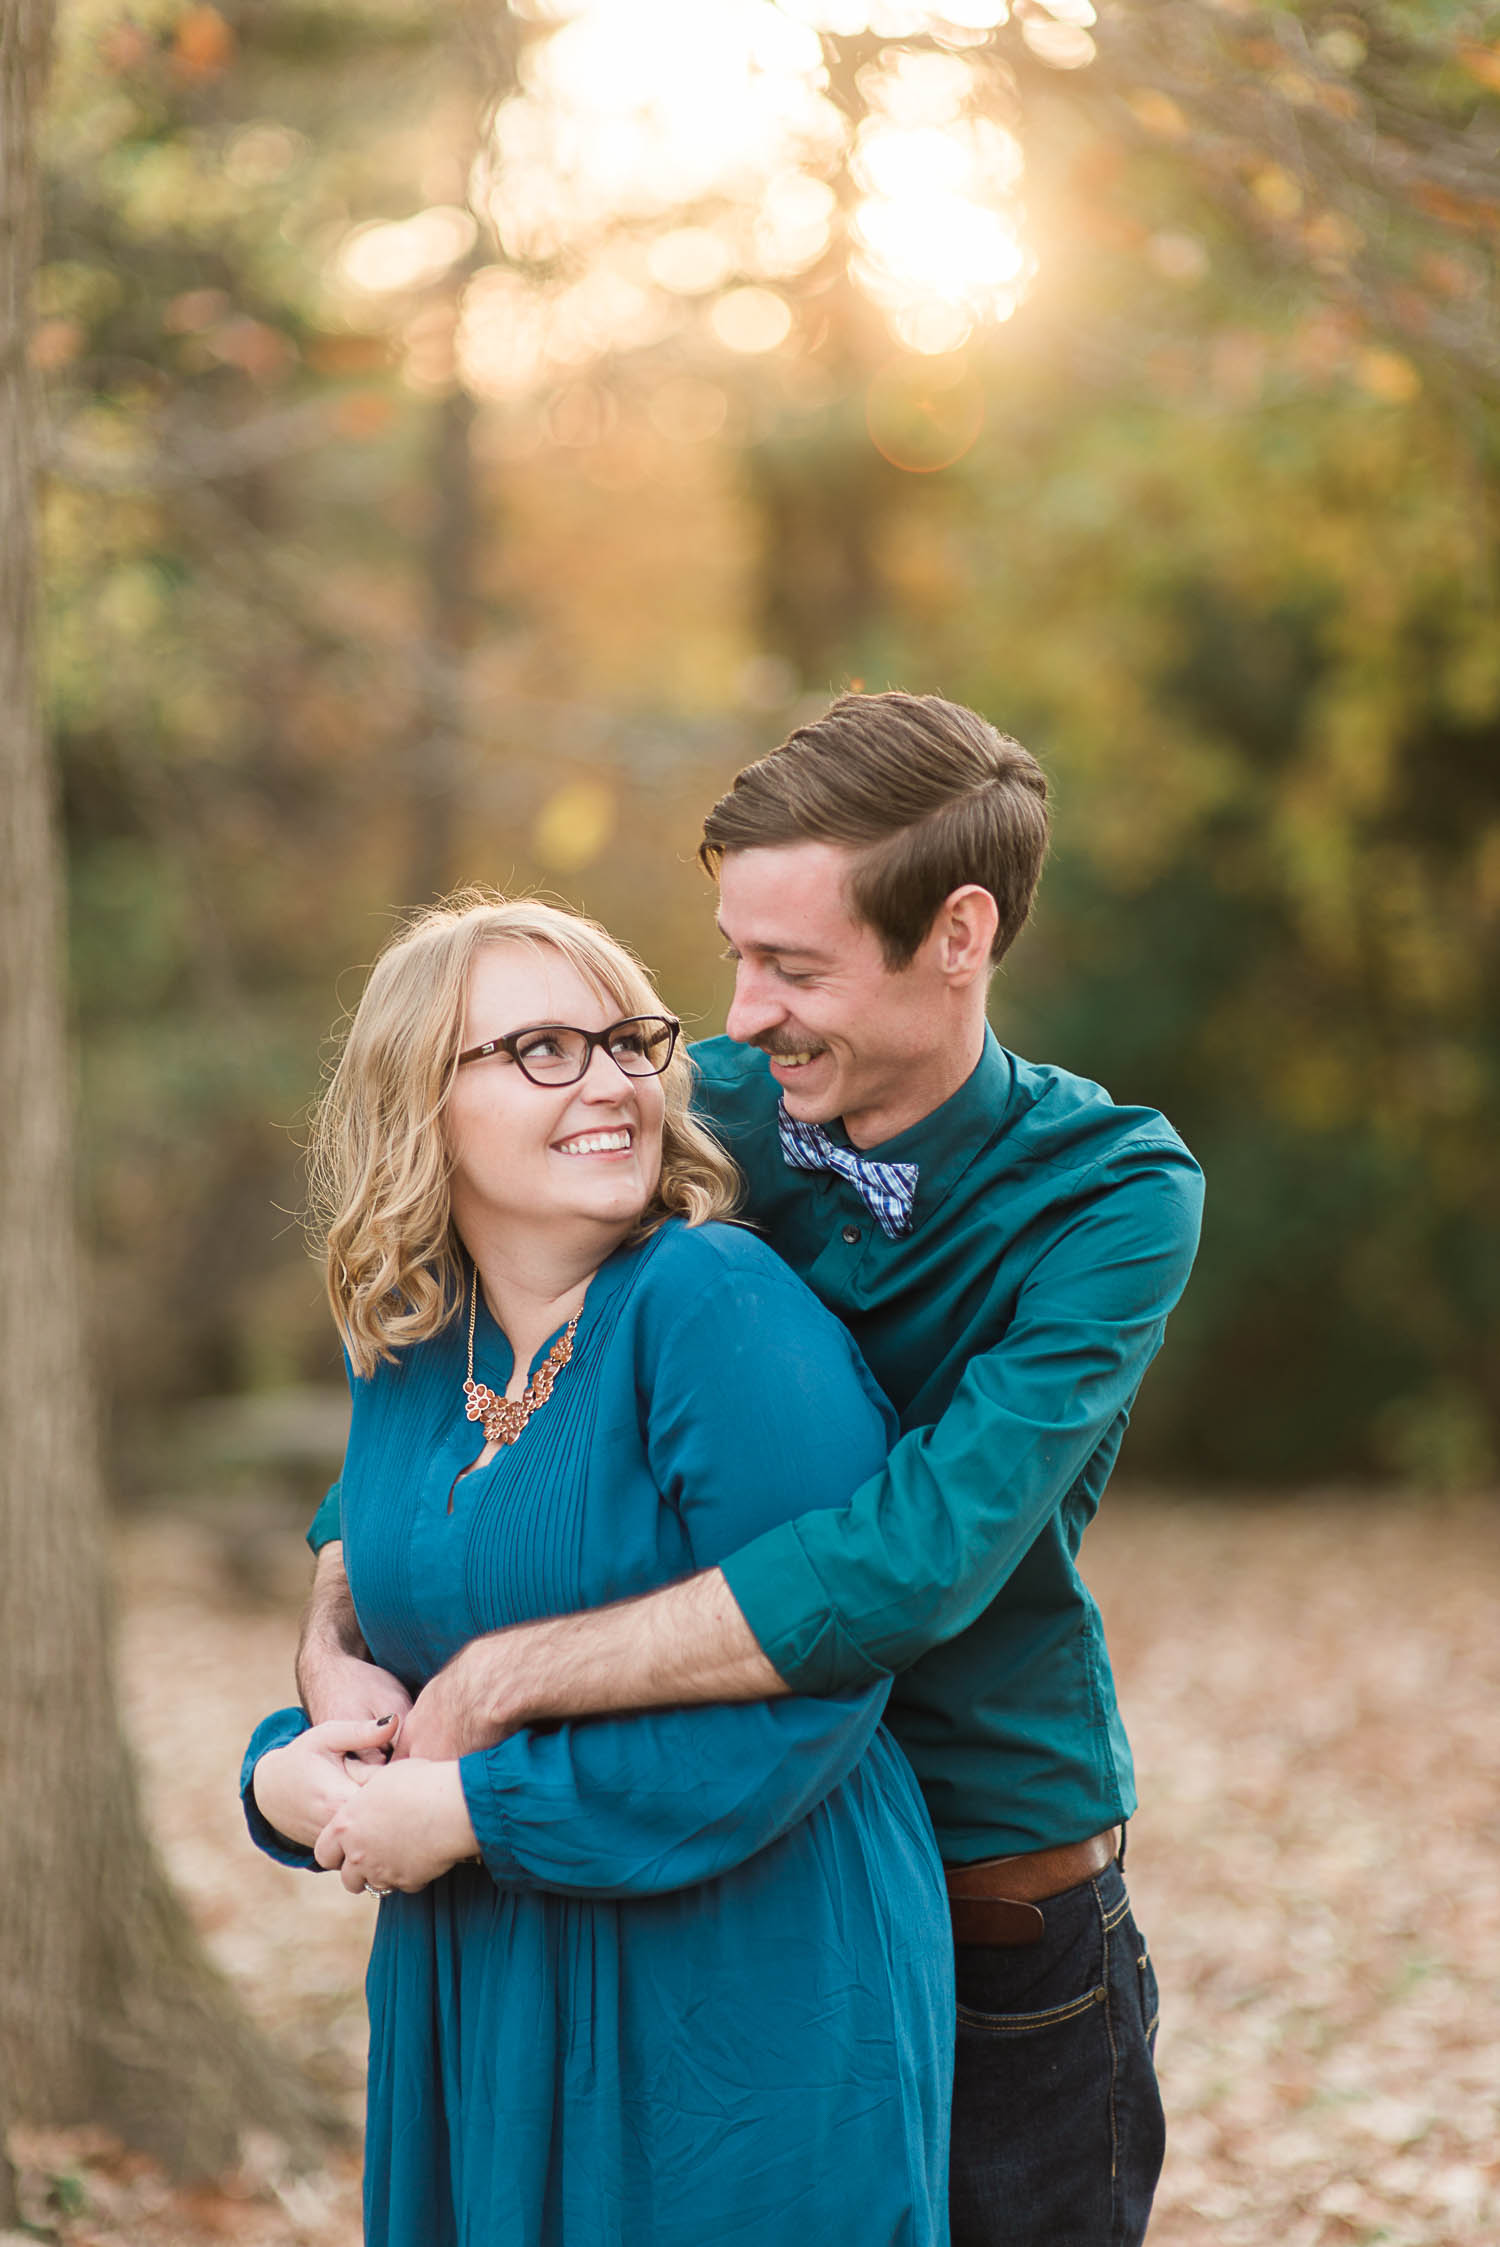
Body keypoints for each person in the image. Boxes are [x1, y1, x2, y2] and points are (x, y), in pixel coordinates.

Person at [302, 691, 1205, 2247]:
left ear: (960, 934)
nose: (743, 1010)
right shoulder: (684, 1102)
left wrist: (522, 1673)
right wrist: (332, 1628)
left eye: (792, 966)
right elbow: (467, 1372)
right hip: (678, 1886)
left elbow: (909, 1563)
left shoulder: (1112, 1197)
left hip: (993, 1907)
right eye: (732, 953)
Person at [241, 894, 953, 2247]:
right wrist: (289, 1770)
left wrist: (476, 1813)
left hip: (738, 1987)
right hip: (480, 1995)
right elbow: (395, 1645)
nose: (613, 1083)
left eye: (627, 1042)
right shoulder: (406, 1350)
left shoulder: (710, 1303)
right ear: (420, 1101)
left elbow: (815, 1684)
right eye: (540, 1050)